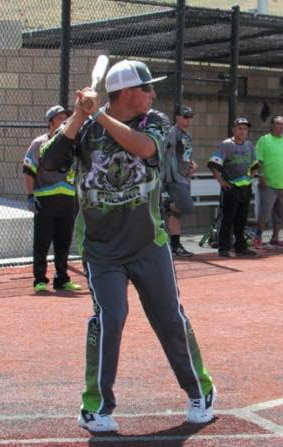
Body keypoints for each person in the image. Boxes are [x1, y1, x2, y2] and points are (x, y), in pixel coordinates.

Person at [39, 59, 215, 433]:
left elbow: (145, 149)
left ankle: (200, 391)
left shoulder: (155, 122)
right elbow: (49, 161)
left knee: (169, 319)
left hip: (148, 244)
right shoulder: (86, 127)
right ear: (128, 93)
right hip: (101, 250)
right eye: (147, 88)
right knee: (110, 318)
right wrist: (78, 115)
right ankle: (95, 407)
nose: (153, 93)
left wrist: (98, 116)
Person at [23, 105, 82, 293]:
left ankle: (62, 279)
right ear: (50, 123)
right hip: (45, 200)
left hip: (68, 200)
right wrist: (30, 197)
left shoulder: (72, 144)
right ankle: (40, 280)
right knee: (42, 241)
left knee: (64, 242)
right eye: (60, 118)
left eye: (67, 118)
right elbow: (28, 171)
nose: (65, 121)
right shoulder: (39, 143)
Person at [207, 117, 258, 258]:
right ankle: (224, 248)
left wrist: (251, 177)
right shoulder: (226, 145)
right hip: (231, 188)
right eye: (240, 128)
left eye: (245, 129)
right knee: (228, 219)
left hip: (245, 188)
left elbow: (255, 165)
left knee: (241, 219)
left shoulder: (249, 146)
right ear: (234, 130)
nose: (242, 131)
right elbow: (213, 164)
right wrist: (221, 181)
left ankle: (240, 247)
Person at [253, 116, 283, 249]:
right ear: (272, 126)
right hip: (268, 184)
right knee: (264, 214)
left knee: (282, 215)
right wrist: (261, 175)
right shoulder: (264, 140)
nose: (281, 127)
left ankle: (275, 238)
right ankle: (258, 237)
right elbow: (258, 160)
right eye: (278, 124)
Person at [163, 105, 197, 257]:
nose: (188, 119)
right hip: (174, 177)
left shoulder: (187, 135)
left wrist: (192, 164)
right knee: (187, 207)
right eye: (185, 116)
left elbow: (185, 155)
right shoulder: (172, 133)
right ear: (177, 117)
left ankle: (175, 246)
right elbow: (163, 150)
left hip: (184, 177)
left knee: (177, 214)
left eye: (190, 116)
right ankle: (165, 205)